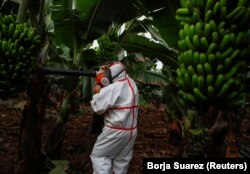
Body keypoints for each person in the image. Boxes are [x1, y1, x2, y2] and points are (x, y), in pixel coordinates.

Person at [90, 61, 139, 174]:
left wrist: (98, 93)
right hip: (131, 131)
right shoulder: (131, 83)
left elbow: (98, 108)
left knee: (99, 157)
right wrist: (108, 69)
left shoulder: (113, 88)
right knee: (121, 161)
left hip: (115, 131)